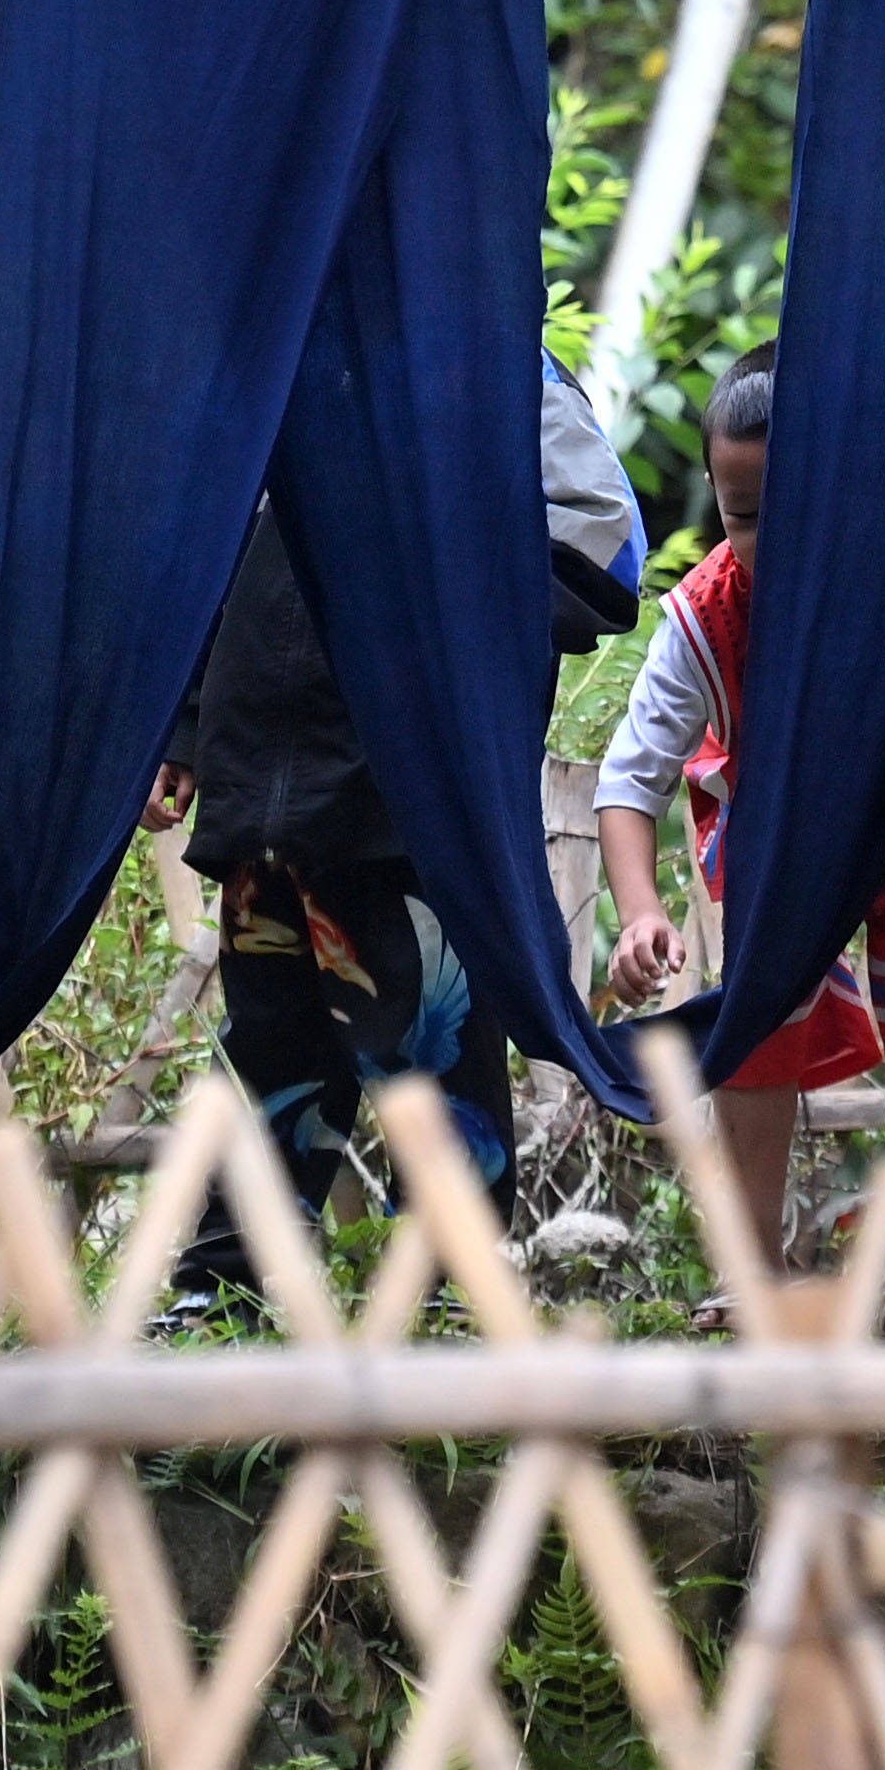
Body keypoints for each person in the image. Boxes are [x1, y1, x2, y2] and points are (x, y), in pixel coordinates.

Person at [153, 361, 643, 1331]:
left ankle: (452, 1290)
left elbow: (605, 546)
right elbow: (213, 554)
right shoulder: (282, 361)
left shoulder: (496, 364)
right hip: (263, 782)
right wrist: (187, 725)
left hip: (402, 794)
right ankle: (224, 1287)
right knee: (270, 1049)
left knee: (432, 1046)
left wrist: (443, 622)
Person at [595, 347, 885, 1339]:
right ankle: (752, 1268)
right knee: (760, 1008)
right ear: (716, 498)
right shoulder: (703, 618)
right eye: (744, 517)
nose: (771, 543)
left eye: (799, 513)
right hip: (780, 841)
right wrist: (641, 911)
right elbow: (628, 780)